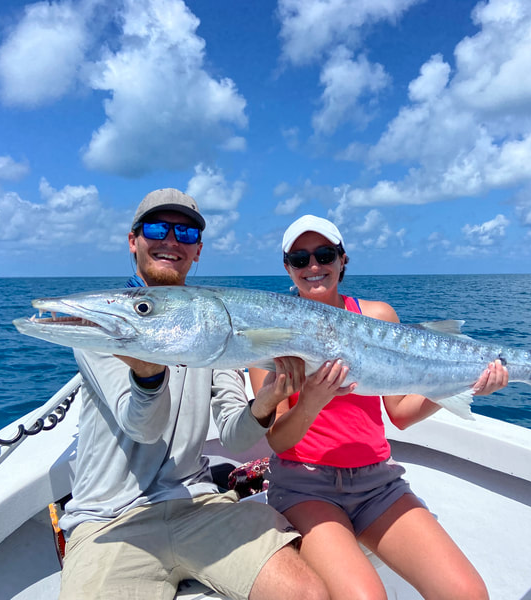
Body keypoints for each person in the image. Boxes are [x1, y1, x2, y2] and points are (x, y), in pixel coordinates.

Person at [58, 190, 328, 600]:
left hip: (197, 504)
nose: (170, 239)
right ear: (133, 240)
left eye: (184, 232)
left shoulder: (212, 323)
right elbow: (143, 428)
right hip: (110, 519)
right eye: (155, 227)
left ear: (197, 250)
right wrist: (149, 376)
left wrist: (266, 402)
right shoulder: (110, 322)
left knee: (308, 594)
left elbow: (236, 437)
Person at [249, 215, 509, 600]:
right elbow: (279, 439)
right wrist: (314, 402)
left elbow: (401, 414)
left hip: (378, 484)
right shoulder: (267, 337)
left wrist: (465, 385)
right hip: (306, 486)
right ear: (287, 268)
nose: (314, 267)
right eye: (300, 259)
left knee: (468, 593)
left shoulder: (378, 317)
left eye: (324, 254)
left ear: (342, 260)